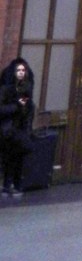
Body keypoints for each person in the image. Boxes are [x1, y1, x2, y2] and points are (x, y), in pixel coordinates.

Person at [0, 58, 35, 199]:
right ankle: (8, 185)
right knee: (9, 157)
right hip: (8, 129)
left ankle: (12, 184)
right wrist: (17, 107)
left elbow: (28, 108)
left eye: (23, 71)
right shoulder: (6, 90)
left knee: (16, 157)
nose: (21, 73)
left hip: (18, 128)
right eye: (18, 71)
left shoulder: (26, 89)